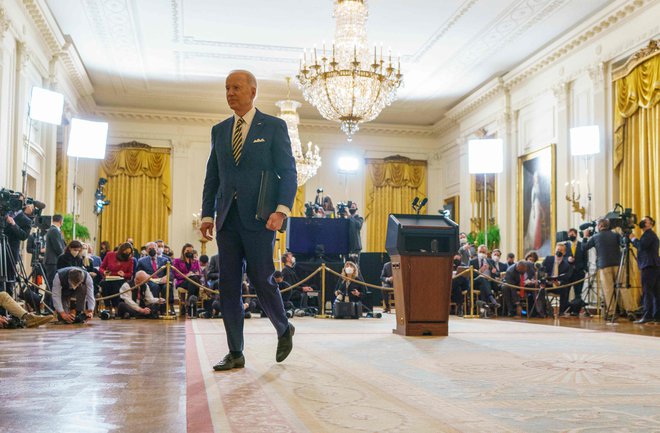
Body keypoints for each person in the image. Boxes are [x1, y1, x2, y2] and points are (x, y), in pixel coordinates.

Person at [200, 70, 297, 371]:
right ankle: (235, 352)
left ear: (253, 92)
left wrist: (281, 210)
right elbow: (212, 177)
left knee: (261, 278)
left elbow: (288, 171)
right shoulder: (219, 130)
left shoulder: (274, 126)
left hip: (260, 218)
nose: (230, 93)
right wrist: (206, 214)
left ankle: (283, 328)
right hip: (226, 219)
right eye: (227, 88)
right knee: (228, 284)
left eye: (236, 88)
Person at [584, 218, 633, 318]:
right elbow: (624, 244)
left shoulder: (595, 237)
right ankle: (630, 310)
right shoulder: (615, 235)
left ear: (600, 226)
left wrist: (585, 237)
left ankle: (611, 313)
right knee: (623, 288)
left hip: (604, 265)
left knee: (608, 289)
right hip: (618, 265)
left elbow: (584, 247)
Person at [629, 216, 660, 324]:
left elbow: (641, 246)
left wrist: (632, 238)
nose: (642, 222)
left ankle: (647, 316)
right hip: (654, 266)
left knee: (648, 292)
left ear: (650, 223)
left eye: (644, 220)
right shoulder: (649, 235)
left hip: (649, 266)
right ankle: (656, 316)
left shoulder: (649, 234)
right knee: (656, 292)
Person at [1, 201, 33, 295]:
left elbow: (23, 236)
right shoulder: (4, 212)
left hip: (10, 250)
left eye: (19, 200)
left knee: (9, 279)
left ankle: (8, 306)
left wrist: (13, 224)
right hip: (0, 246)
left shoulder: (26, 220)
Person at [99, 242, 135, 315]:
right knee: (104, 284)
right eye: (125, 252)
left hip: (121, 279)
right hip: (109, 278)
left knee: (117, 286)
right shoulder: (110, 255)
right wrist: (104, 272)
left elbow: (130, 274)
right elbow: (101, 268)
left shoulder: (130, 259)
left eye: (129, 253)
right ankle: (107, 306)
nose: (127, 254)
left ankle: (116, 307)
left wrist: (124, 274)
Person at [136, 242, 172, 313]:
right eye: (150, 249)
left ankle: (164, 310)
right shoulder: (141, 261)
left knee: (167, 287)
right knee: (155, 287)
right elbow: (138, 273)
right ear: (146, 250)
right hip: (150, 281)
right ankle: (154, 310)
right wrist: (146, 277)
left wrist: (167, 277)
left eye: (153, 248)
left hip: (162, 280)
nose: (152, 250)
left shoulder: (165, 260)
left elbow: (171, 272)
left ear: (157, 249)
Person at [539, 243, 573, 316]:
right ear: (555, 250)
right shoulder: (548, 259)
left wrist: (559, 283)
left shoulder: (566, 265)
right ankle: (543, 311)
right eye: (558, 249)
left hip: (558, 286)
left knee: (564, 289)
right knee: (540, 290)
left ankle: (561, 312)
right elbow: (541, 271)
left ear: (564, 253)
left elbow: (565, 277)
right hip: (547, 284)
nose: (559, 251)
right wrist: (544, 281)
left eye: (561, 250)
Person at [172, 243, 202, 317]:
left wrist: (196, 274)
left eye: (191, 251)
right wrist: (186, 275)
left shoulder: (196, 261)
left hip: (193, 281)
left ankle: (190, 304)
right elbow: (176, 274)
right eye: (187, 250)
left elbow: (200, 274)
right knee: (194, 281)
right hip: (182, 281)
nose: (189, 252)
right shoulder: (177, 261)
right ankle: (192, 307)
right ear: (183, 251)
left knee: (194, 279)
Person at [469, 245, 500, 309]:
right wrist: (480, 271)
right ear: (477, 252)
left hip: (489, 282)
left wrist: (494, 272)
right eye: (480, 252)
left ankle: (484, 308)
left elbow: (497, 274)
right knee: (482, 278)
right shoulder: (472, 261)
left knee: (483, 286)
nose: (482, 253)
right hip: (475, 281)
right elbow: (469, 275)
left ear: (486, 253)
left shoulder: (491, 261)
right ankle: (491, 298)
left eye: (484, 252)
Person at [44, 214, 66, 304]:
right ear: (61, 221)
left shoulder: (53, 230)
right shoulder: (54, 231)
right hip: (52, 262)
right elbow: (58, 247)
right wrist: (65, 257)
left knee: (52, 283)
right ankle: (48, 305)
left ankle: (49, 304)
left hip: (52, 261)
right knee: (51, 283)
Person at [565, 228, 589, 308]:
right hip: (568, 272)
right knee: (566, 291)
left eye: (572, 234)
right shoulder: (565, 246)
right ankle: (564, 309)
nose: (571, 236)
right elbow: (562, 257)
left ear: (576, 234)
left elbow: (586, 258)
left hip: (579, 272)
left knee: (578, 293)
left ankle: (576, 310)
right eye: (569, 235)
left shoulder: (582, 244)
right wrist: (567, 259)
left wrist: (585, 269)